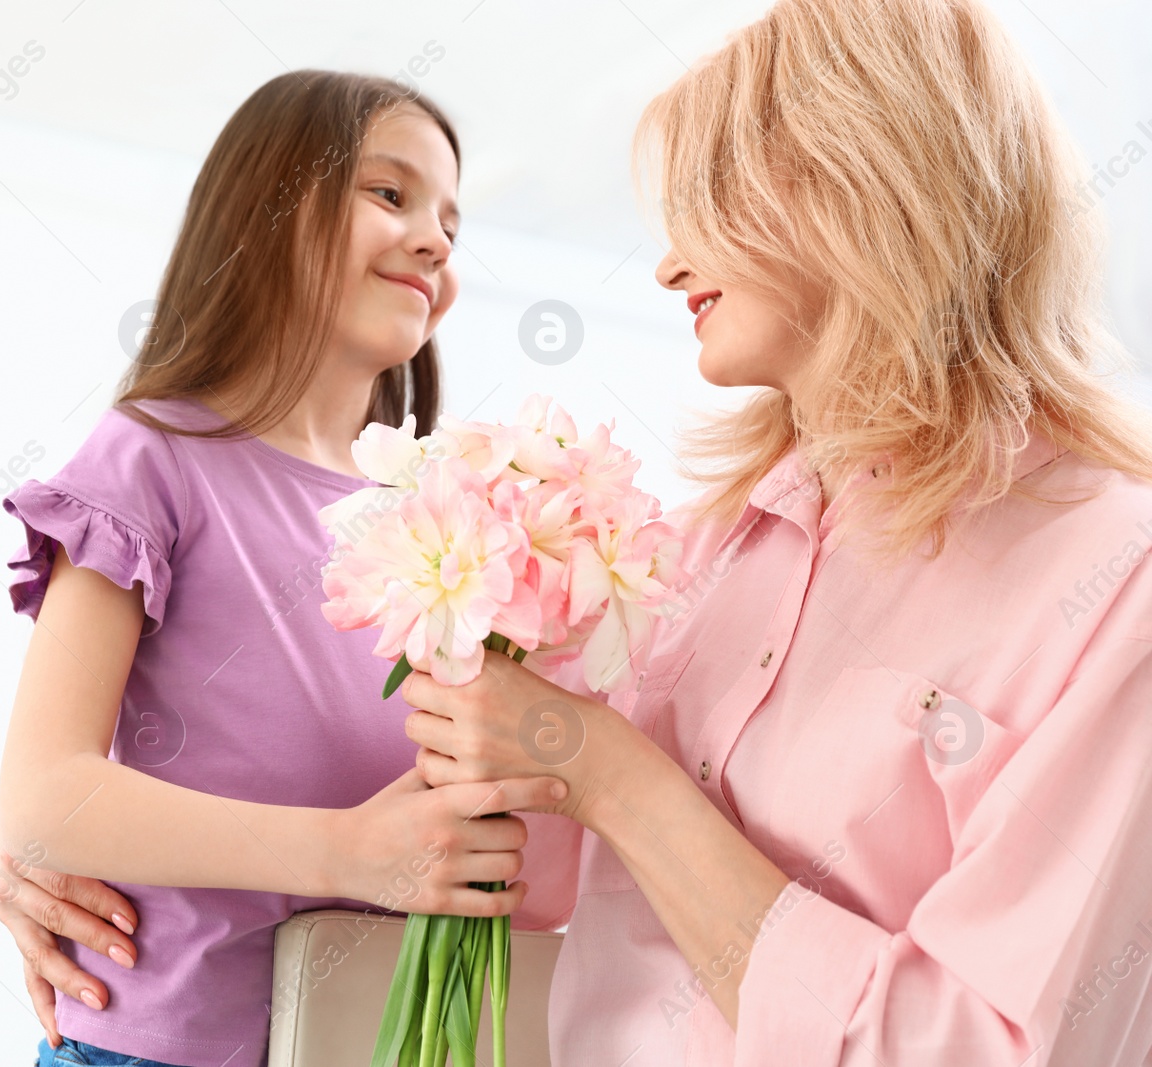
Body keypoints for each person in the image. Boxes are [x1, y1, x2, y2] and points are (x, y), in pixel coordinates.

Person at [400, 0, 1152, 1062]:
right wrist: (114, 856)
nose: (666, 266)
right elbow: (530, 866)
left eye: (708, 199)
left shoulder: (1118, 579)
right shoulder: (724, 535)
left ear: (860, 184)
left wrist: (616, 776)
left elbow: (981, 1047)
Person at [0, 69, 580, 1067]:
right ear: (268, 208)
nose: (436, 240)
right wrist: (348, 851)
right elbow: (45, 800)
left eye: (449, 218)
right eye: (389, 194)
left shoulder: (442, 520)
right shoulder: (151, 458)